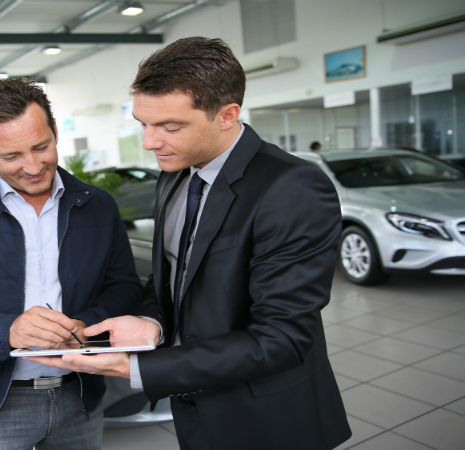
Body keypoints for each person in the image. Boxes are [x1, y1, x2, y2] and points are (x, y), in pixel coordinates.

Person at [29, 37, 352, 450]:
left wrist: (137, 368)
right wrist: (152, 323)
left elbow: (282, 338)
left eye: (170, 126)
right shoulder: (175, 173)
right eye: (143, 123)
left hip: (268, 417)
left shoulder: (291, 187)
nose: (149, 142)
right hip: (196, 410)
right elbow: (171, 278)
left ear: (227, 115)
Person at [0, 78, 142, 450]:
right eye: (11, 156)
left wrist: (88, 324)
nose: (33, 166)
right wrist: (8, 332)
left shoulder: (97, 205)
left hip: (80, 391)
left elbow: (125, 288)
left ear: (54, 132)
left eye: (41, 146)